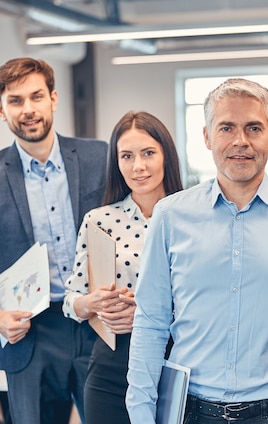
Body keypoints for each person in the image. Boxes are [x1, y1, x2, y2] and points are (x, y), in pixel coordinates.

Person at [125, 78, 268, 424]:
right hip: (191, 411)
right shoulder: (170, 216)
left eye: (254, 128)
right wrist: (141, 414)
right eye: (226, 127)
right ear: (206, 136)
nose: (240, 141)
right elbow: (151, 323)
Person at [0, 57, 107, 424]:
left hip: (96, 323)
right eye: (15, 100)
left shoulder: (99, 157)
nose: (28, 109)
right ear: (1, 110)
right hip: (28, 333)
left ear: (53, 98)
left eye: (36, 96)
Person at [62, 110, 183, 423]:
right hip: (112, 364)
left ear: (166, 156)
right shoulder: (98, 220)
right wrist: (93, 302)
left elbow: (213, 302)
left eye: (148, 153)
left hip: (177, 359)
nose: (138, 166)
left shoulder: (192, 218)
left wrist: (146, 313)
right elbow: (71, 299)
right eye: (126, 156)